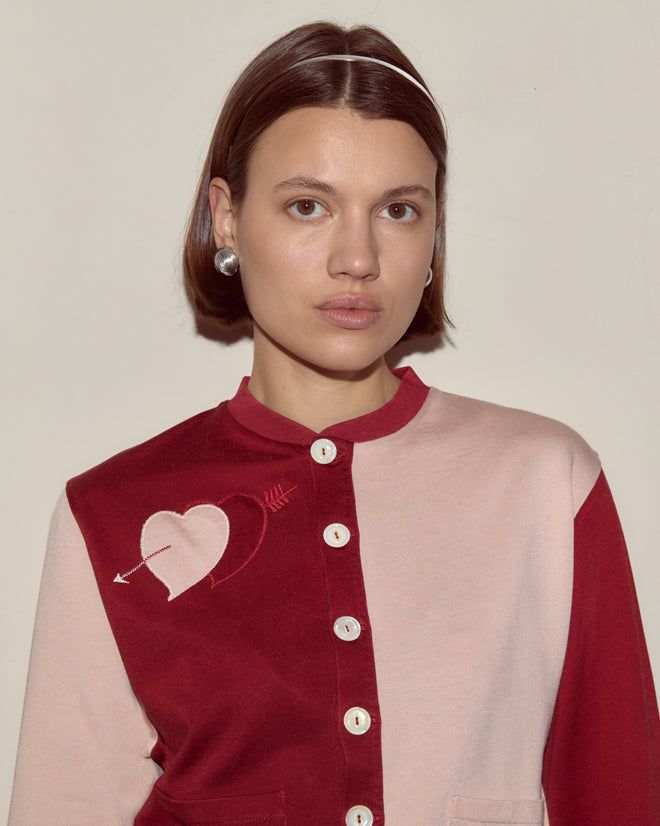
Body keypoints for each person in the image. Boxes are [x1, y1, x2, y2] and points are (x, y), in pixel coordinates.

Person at [9, 20, 660, 826]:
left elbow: (617, 799)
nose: (357, 256)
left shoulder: (547, 483)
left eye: (397, 210)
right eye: (308, 205)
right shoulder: (107, 516)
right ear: (227, 216)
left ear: (434, 234)